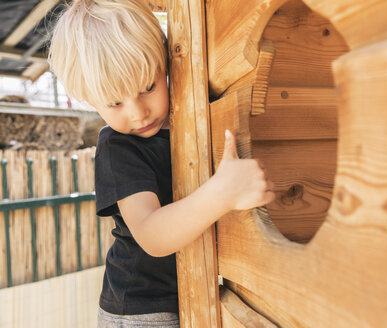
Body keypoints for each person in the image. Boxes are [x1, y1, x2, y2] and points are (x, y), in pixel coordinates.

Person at [48, 0, 275, 327]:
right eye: (114, 102)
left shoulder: (190, 121)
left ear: (166, 63)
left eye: (147, 87)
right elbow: (152, 234)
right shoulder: (117, 147)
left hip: (190, 292)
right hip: (140, 310)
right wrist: (222, 194)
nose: (138, 112)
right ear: (89, 101)